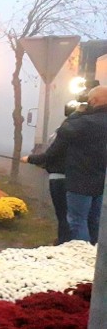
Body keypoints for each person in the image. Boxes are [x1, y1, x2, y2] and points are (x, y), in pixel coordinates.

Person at [51, 85, 107, 244]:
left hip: (81, 179)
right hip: (101, 180)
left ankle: (82, 255)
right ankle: (95, 255)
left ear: (94, 101)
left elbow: (64, 132)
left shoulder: (84, 122)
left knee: (77, 220)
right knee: (94, 220)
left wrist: (76, 113)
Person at [21, 129, 74, 246]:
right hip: (75, 178)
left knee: (63, 214)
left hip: (59, 179)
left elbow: (51, 155)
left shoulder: (64, 132)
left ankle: (64, 242)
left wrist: (30, 159)